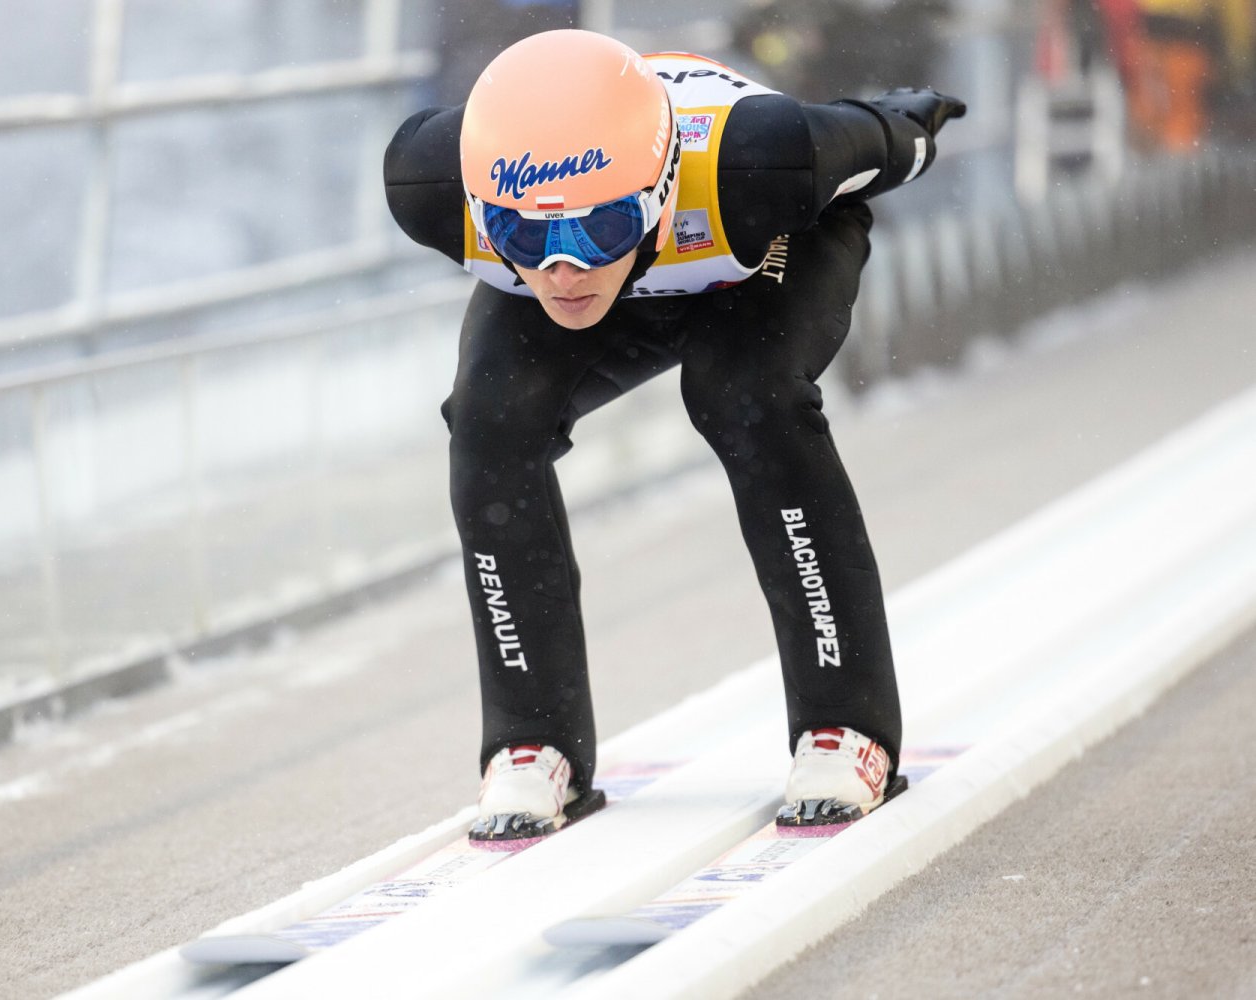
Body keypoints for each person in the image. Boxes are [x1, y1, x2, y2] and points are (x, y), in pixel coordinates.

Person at [382, 29, 965, 844]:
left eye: (598, 229)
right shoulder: (431, 183)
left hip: (756, 244)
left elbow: (877, 139)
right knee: (488, 423)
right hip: (657, 244)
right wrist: (571, 237)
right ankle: (533, 739)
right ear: (479, 206)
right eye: (522, 238)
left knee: (744, 395)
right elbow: (562, 249)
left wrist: (908, 126)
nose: (564, 268)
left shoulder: (761, 160)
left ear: (656, 190)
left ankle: (845, 724)